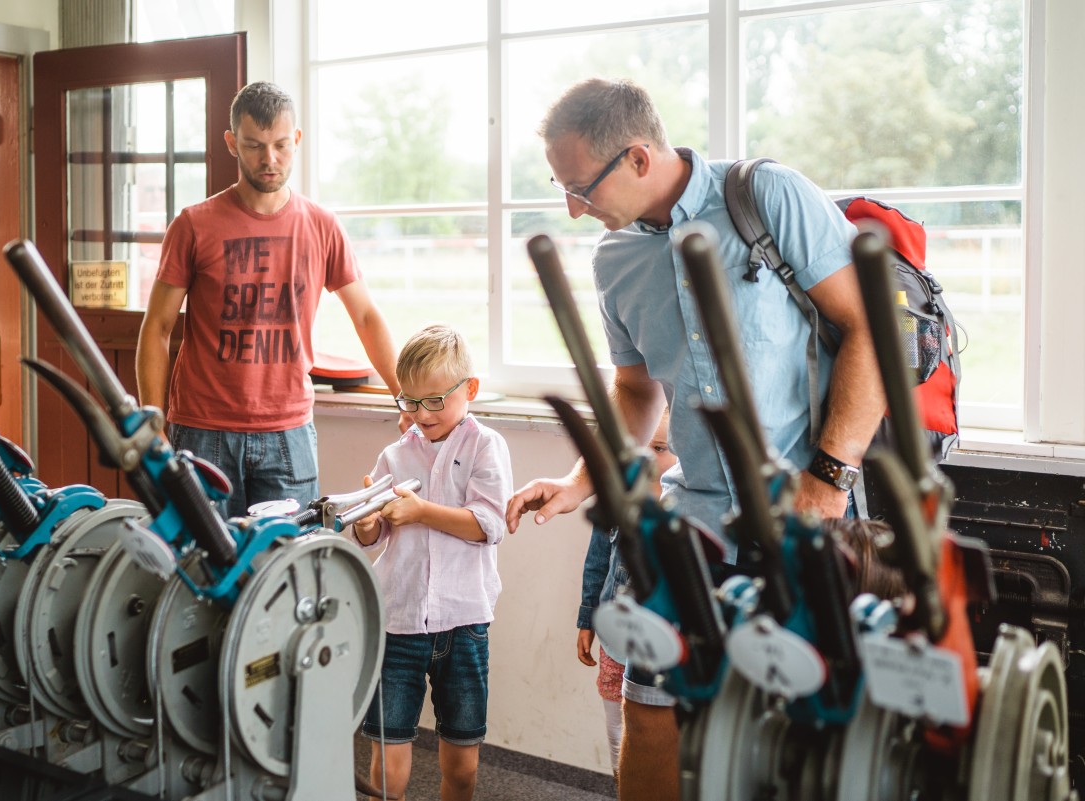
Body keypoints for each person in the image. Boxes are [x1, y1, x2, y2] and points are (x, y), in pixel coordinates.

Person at [506, 78, 886, 801]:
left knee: (797, 736)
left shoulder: (765, 198)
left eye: (580, 188)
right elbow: (635, 390)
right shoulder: (613, 262)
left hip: (805, 514)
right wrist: (579, 481)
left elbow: (872, 326)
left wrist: (828, 483)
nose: (572, 209)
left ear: (639, 159)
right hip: (696, 515)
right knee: (649, 707)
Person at [135, 80, 402, 518]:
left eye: (280, 144)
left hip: (288, 434)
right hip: (203, 431)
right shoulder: (193, 225)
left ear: (296, 140)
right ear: (231, 143)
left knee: (287, 571)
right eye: (254, 145)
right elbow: (157, 327)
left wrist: (403, 398)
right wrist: (152, 419)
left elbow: (367, 316)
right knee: (202, 568)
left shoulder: (321, 225)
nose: (269, 159)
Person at [352, 323, 512, 801]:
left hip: (464, 624)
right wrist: (366, 524)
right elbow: (375, 531)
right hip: (397, 623)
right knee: (387, 766)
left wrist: (421, 512)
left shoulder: (486, 447)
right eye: (409, 401)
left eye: (435, 401)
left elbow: (489, 525)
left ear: (470, 390)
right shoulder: (394, 455)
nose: (421, 414)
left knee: (462, 765)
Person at [575, 410, 674, 778]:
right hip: (616, 640)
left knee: (653, 729)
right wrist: (587, 619)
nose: (649, 458)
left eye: (661, 448)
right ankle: (623, 782)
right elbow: (596, 563)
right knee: (617, 725)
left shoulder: (684, 515)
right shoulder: (618, 503)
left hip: (659, 645)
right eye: (643, 448)